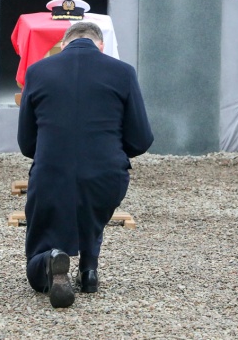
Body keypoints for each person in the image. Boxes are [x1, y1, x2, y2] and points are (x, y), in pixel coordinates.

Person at [17, 21, 154, 308]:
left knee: (39, 250)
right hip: (106, 175)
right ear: (101, 46)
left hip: (51, 174)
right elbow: (141, 140)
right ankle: (89, 270)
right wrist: (111, 153)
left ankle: (51, 260)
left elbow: (26, 143)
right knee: (91, 204)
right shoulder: (123, 72)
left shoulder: (37, 71)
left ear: (63, 45)